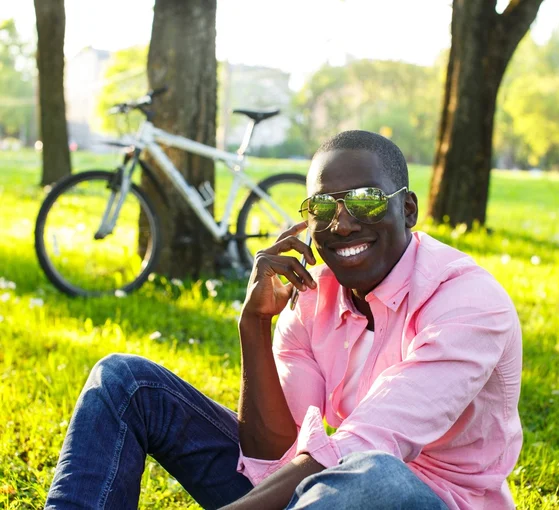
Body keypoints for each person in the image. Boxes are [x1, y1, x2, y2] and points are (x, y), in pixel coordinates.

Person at [46, 131, 522, 510]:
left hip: (419, 499)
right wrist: (254, 324)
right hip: (320, 490)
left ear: (409, 209)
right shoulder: (312, 296)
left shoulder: (469, 304)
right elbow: (275, 454)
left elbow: (361, 448)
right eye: (322, 207)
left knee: (370, 478)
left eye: (365, 200)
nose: (344, 223)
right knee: (124, 381)